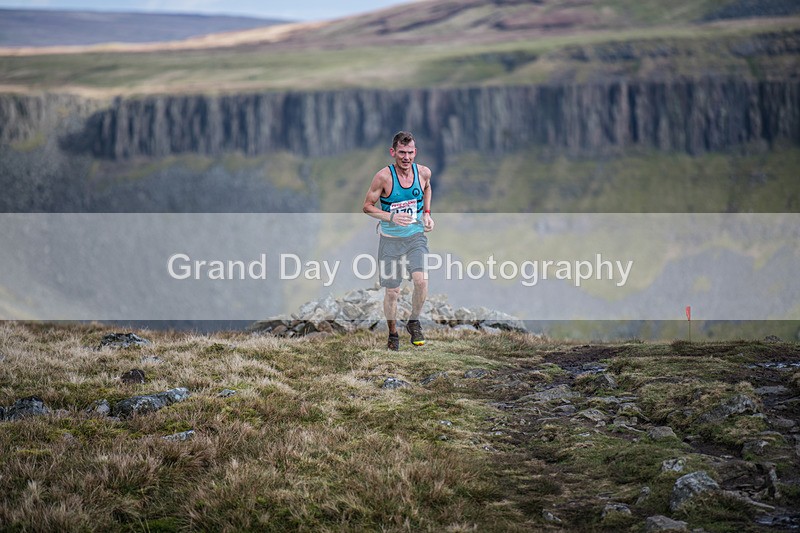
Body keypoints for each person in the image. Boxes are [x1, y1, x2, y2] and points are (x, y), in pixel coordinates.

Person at [363, 131, 435, 350]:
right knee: (392, 292)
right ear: (393, 152)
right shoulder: (383, 177)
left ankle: (414, 321)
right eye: (402, 152)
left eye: (410, 152)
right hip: (390, 241)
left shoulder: (423, 172)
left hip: (415, 237)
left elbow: (427, 188)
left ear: (415, 152)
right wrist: (391, 217)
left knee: (421, 281)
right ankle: (393, 334)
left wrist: (427, 214)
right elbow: (367, 206)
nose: (406, 157)